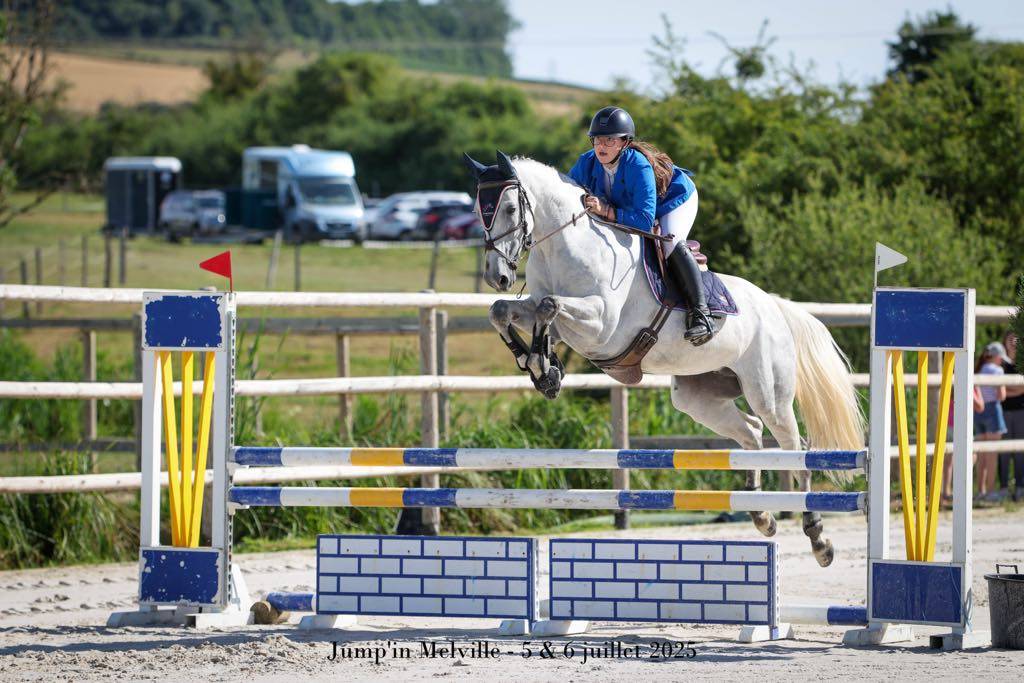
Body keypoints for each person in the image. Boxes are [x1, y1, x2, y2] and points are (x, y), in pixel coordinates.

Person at [567, 106, 714, 345]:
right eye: (597, 140)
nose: (601, 146)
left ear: (625, 142)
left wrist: (606, 211)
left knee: (670, 243)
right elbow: (567, 192)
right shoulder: (587, 162)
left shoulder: (637, 164)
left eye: (609, 140)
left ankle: (702, 313)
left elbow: (645, 221)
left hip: (675, 200)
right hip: (635, 208)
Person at [974, 342, 1007, 501]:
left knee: (981, 455)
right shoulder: (998, 370)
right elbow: (1001, 395)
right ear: (996, 356)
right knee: (992, 455)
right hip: (993, 410)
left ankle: (980, 490)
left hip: (978, 412)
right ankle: (991, 491)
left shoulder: (978, 369)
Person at [996, 334, 1024, 501]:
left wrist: (1008, 390)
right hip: (1004, 411)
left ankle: (1021, 487)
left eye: (1017, 339)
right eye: (1010, 339)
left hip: (1021, 411)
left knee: (1021, 451)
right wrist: (1016, 389)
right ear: (1004, 342)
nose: (1013, 342)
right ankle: (1004, 487)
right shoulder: (1001, 363)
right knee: (1003, 453)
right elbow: (1002, 389)